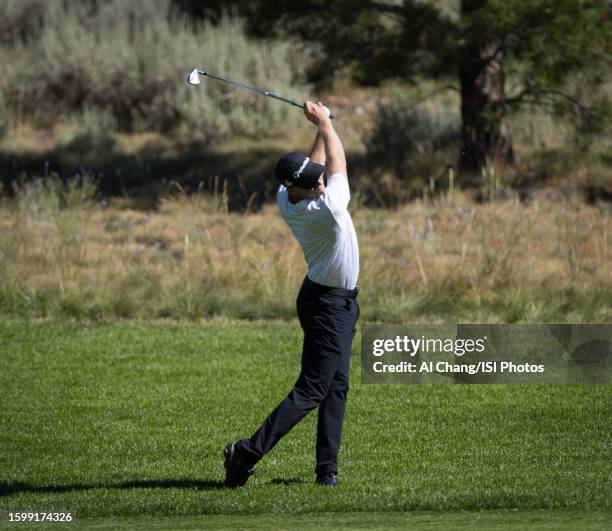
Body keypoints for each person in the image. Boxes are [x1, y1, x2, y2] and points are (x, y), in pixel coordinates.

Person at [224, 101, 360, 488]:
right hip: (329, 306)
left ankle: (326, 472)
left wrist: (321, 127)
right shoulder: (328, 208)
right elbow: (338, 166)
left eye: (318, 177)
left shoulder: (289, 199)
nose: (320, 181)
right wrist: (326, 125)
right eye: (312, 181)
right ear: (296, 189)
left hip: (329, 300)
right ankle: (245, 453)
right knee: (314, 389)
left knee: (336, 387)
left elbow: (315, 164)